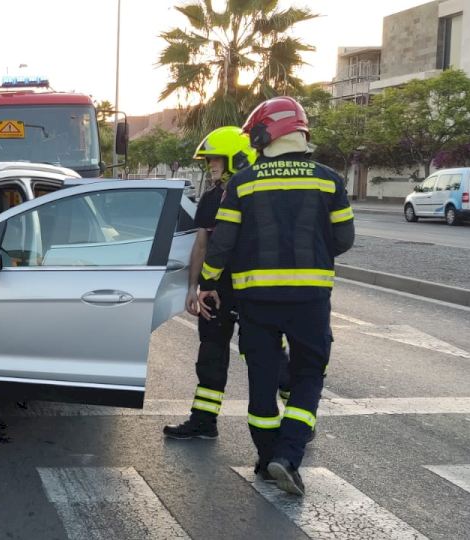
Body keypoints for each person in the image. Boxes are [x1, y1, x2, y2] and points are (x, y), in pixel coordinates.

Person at [197, 96, 355, 496]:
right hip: (310, 300)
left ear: (265, 134)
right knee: (308, 375)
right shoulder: (329, 180)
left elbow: (222, 244)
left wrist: (208, 282)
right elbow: (344, 239)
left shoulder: (243, 182)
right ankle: (287, 456)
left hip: (257, 300)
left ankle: (266, 457)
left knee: (262, 378)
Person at [164, 126, 275, 440]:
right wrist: (193, 287)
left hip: (255, 290)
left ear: (236, 159)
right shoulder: (211, 198)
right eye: (209, 160)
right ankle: (204, 421)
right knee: (211, 355)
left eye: (216, 159)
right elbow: (201, 244)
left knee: (266, 355)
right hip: (217, 290)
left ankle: (297, 417)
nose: (210, 165)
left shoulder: (260, 196)